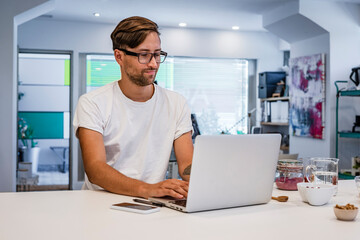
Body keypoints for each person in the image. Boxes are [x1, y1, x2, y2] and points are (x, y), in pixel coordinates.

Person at [73, 16, 194, 199]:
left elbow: (187, 166)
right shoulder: (92, 103)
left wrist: (206, 177)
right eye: (144, 55)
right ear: (119, 57)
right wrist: (148, 189)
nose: (153, 64)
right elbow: (95, 169)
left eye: (157, 54)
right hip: (101, 204)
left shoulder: (176, 103)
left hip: (153, 203)